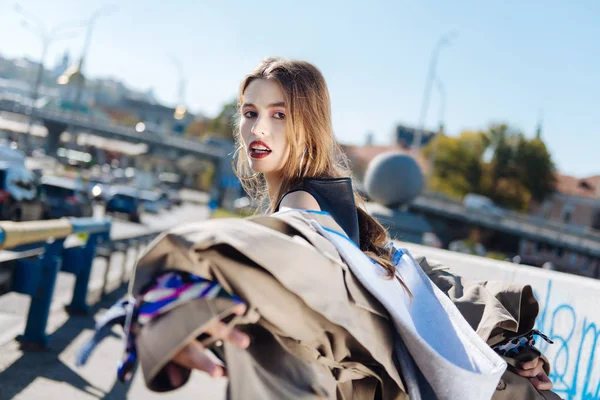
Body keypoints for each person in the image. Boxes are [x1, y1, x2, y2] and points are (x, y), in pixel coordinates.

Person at [155, 57, 554, 396]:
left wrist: (169, 300)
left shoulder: (300, 205)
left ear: (309, 125)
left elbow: (269, 257)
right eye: (249, 113)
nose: (258, 128)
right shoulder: (333, 196)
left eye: (280, 114)